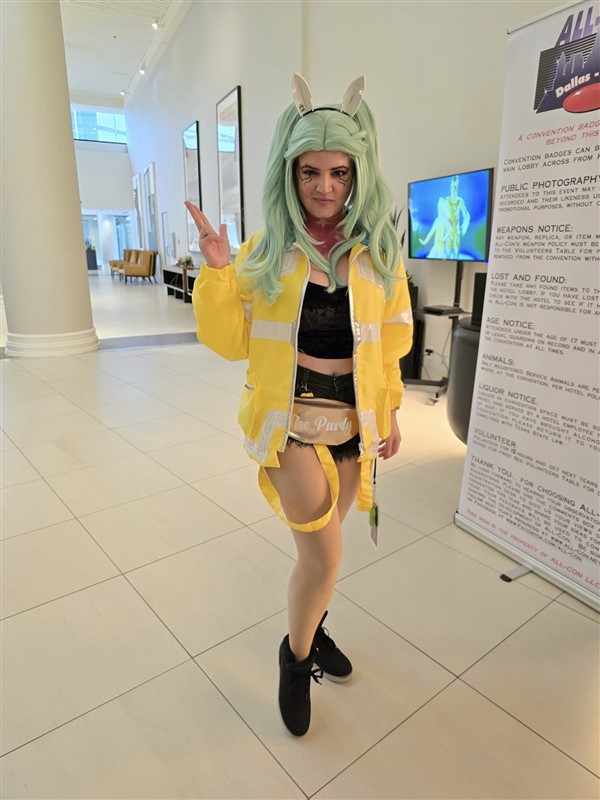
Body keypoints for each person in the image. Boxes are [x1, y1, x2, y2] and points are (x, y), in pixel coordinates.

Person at [186, 74, 413, 737]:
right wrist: (219, 270)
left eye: (338, 172)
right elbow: (229, 342)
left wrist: (391, 408)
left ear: (357, 173)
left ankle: (311, 623)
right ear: (289, 172)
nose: (324, 187)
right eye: (310, 171)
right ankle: (295, 658)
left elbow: (392, 340)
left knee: (324, 556)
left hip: (353, 423)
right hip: (290, 423)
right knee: (324, 559)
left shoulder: (379, 254)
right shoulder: (266, 251)